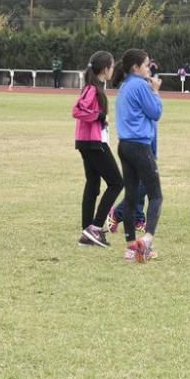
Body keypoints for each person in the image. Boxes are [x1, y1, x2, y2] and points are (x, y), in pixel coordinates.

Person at [112, 49, 163, 263]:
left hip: (124, 144)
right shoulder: (142, 86)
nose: (148, 69)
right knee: (155, 195)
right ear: (135, 67)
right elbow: (156, 112)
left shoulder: (124, 87)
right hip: (140, 145)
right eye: (146, 65)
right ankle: (147, 240)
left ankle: (131, 246)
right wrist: (155, 91)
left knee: (132, 197)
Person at [72, 51, 123, 248]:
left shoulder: (95, 87)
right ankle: (95, 228)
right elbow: (78, 110)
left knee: (93, 185)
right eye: (111, 66)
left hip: (90, 141)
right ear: (104, 69)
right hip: (92, 143)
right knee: (117, 182)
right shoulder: (92, 89)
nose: (112, 70)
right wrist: (100, 117)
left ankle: (87, 233)